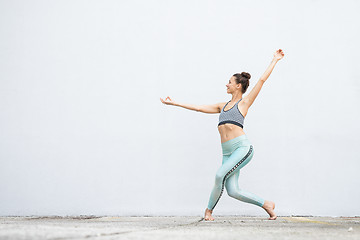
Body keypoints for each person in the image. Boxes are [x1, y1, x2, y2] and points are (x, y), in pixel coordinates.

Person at [160, 49, 285, 221]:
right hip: (227, 153)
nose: (226, 85)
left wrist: (275, 60)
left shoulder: (244, 103)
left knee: (219, 175)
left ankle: (208, 211)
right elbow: (198, 107)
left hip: (242, 148)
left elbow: (262, 81)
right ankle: (266, 204)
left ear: (238, 86)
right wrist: (174, 103)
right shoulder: (222, 106)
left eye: (229, 82)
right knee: (233, 191)